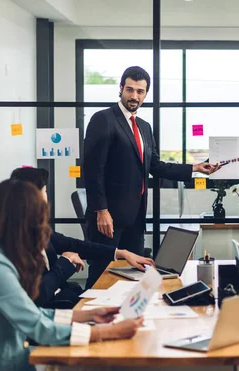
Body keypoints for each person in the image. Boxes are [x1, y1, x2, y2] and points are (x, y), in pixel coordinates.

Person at [0, 179, 143, 371]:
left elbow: (36, 315)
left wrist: (89, 315)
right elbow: (39, 327)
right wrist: (110, 332)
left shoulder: (0, 257)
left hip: (14, 360)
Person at [83, 66, 220, 288]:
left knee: (133, 275)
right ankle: (89, 318)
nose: (134, 96)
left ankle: (129, 319)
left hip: (135, 216)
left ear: (146, 94)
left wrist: (195, 168)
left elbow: (156, 166)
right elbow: (92, 169)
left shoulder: (144, 128)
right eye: (130, 90)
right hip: (108, 217)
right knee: (101, 275)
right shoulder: (103, 119)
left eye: (140, 91)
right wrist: (101, 210)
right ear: (120, 89)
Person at [9, 167, 155, 307]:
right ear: (32, 196)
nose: (47, 196)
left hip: (66, 297)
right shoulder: (16, 240)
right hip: (53, 310)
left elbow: (74, 245)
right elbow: (37, 296)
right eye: (45, 191)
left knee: (131, 299)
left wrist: (121, 253)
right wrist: (66, 262)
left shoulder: (37, 228)